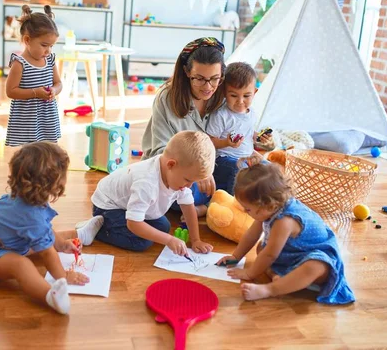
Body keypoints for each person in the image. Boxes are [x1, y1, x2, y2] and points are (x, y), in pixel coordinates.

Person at [0, 143, 105, 314]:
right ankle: (50, 296)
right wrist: (64, 276)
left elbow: (45, 229)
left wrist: (61, 245)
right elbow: (47, 253)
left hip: (7, 245)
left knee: (41, 241)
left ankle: (79, 235)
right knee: (21, 265)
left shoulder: (27, 199)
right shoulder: (30, 214)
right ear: (49, 182)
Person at [217, 163, 355, 305]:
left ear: (267, 205)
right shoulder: (267, 210)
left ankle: (270, 289)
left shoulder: (285, 221)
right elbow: (251, 235)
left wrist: (249, 273)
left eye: (248, 209)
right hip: (293, 252)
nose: (245, 212)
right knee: (261, 248)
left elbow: (271, 255)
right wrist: (235, 257)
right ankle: (279, 276)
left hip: (316, 254)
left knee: (315, 266)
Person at [77, 131, 216, 254]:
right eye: (188, 180)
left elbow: (188, 207)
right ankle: (97, 228)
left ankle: (107, 224)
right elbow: (133, 224)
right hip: (108, 206)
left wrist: (196, 240)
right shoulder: (146, 182)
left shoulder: (178, 176)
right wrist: (169, 240)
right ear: (171, 165)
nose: (189, 186)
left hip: (125, 204)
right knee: (142, 242)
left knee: (164, 226)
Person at [141, 37, 227, 215]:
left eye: (214, 79)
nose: (208, 87)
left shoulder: (225, 95)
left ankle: (210, 206)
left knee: (245, 174)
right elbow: (161, 154)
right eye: (200, 79)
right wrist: (198, 172)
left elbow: (241, 130)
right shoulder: (167, 98)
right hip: (175, 172)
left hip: (211, 171)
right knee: (184, 190)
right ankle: (218, 205)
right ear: (187, 72)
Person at [206, 62, 271, 194]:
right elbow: (209, 141)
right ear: (224, 92)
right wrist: (226, 143)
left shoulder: (251, 113)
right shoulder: (221, 114)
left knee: (269, 169)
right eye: (234, 95)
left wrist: (259, 137)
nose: (240, 101)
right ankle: (232, 204)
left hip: (246, 156)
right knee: (240, 168)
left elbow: (249, 133)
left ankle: (262, 202)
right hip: (223, 160)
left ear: (255, 92)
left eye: (246, 96)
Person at [5, 5, 62, 146]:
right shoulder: (19, 63)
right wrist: (35, 93)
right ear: (27, 40)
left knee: (47, 148)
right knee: (28, 150)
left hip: (46, 116)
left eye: (51, 46)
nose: (48, 50)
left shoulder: (49, 60)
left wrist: (54, 90)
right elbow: (10, 91)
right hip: (27, 120)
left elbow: (58, 83)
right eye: (44, 45)